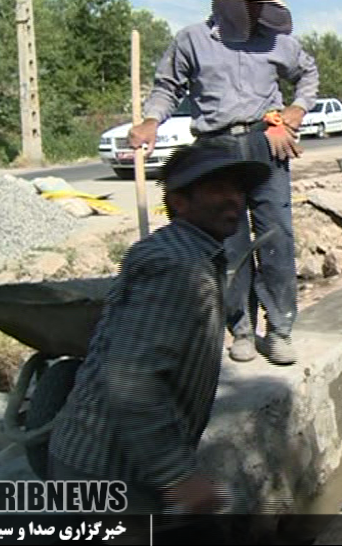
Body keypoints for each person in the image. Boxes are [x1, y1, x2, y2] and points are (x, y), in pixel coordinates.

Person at [48, 143, 271, 520]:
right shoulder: (180, 268)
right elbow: (131, 380)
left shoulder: (192, 253)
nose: (234, 199)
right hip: (106, 474)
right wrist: (178, 476)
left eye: (237, 188)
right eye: (218, 189)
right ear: (179, 202)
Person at [129, 0, 319, 366]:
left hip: (266, 142)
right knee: (227, 242)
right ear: (227, 2)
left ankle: (280, 331)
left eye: (260, 3)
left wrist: (294, 113)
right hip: (215, 149)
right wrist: (151, 121)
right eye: (248, 3)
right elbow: (168, 87)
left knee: (276, 237)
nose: (255, 10)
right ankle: (242, 330)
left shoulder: (278, 42)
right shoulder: (192, 40)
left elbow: (307, 74)